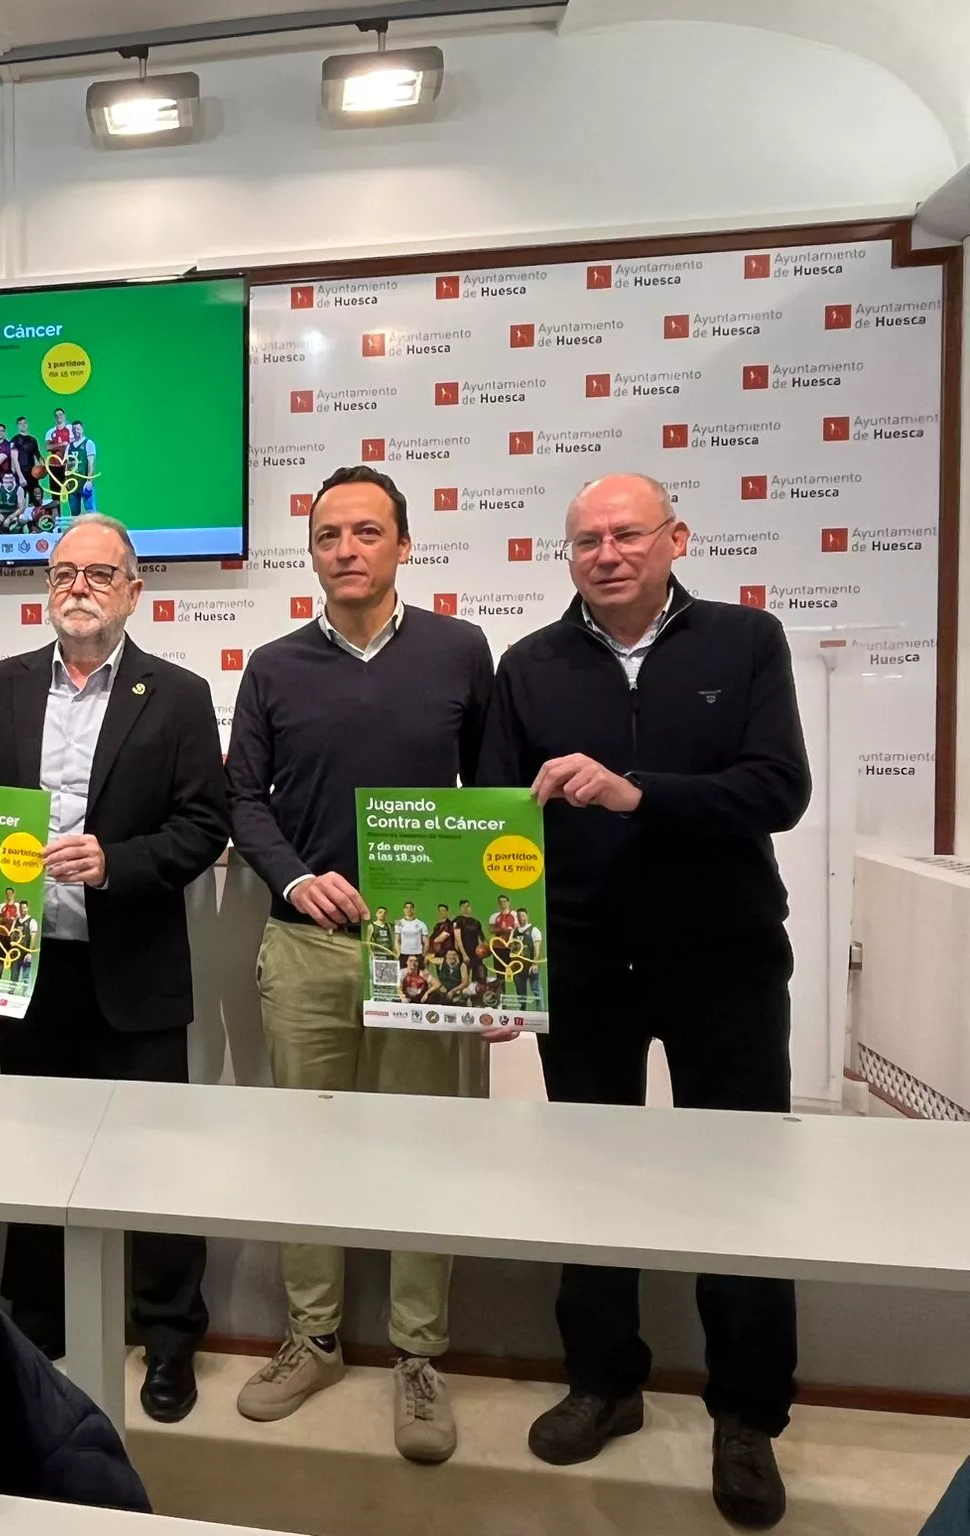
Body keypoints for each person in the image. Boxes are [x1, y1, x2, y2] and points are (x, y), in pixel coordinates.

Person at [478, 472, 809, 1529]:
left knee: (739, 1188)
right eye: (585, 541)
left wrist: (635, 794)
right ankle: (602, 1382)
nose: (605, 554)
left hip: (724, 960)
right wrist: (497, 967)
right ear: (564, 556)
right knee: (589, 1178)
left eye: (626, 535)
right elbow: (497, 832)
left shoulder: (743, 643)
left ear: (674, 537)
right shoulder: (526, 666)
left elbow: (778, 789)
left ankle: (747, 1415)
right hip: (582, 962)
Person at [225, 464, 494, 1463]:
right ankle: (314, 1337)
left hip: (427, 957)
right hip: (305, 948)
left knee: (424, 1151)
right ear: (312, 552)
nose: (346, 548)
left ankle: (419, 1356)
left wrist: (497, 966)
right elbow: (240, 799)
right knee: (310, 1153)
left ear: (401, 545)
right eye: (329, 533)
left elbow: (495, 805)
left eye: (366, 532)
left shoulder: (461, 653)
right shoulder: (271, 665)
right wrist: (296, 879)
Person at [0, 512, 231, 1425]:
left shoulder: (180, 694)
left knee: (157, 1168)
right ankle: (35, 1334)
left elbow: (204, 826)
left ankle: (168, 1339)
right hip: (28, 973)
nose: (77, 587)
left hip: (135, 971)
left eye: (98, 574)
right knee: (36, 1167)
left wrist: (116, 863)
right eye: (62, 571)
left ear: (133, 591)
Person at [11, 416, 45, 503]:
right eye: (20, 424)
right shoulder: (15, 440)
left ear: (27, 425)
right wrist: (20, 476)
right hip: (21, 474)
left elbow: (38, 455)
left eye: (24, 423)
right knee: (20, 501)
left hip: (32, 474)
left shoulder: (33, 440)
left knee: (35, 499)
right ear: (17, 426)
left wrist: (45, 469)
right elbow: (14, 459)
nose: (23, 425)